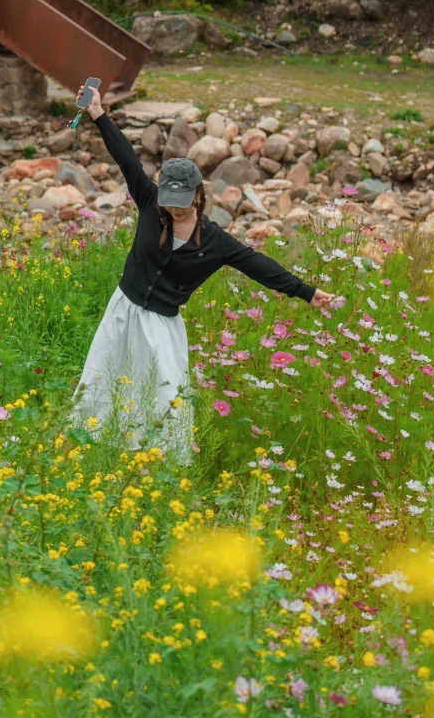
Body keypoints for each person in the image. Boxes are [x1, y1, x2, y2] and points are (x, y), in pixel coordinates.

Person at [69, 84, 338, 460]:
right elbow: (126, 156)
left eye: (182, 204)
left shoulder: (215, 241)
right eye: (169, 202)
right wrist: (98, 113)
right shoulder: (149, 201)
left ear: (198, 196)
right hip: (123, 312)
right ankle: (98, 451)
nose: (174, 210)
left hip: (162, 325)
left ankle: (165, 465)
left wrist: (306, 292)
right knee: (106, 380)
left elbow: (258, 264)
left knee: (165, 396)